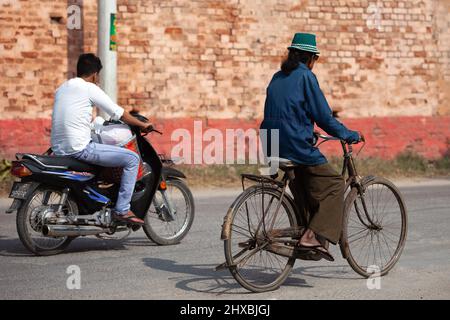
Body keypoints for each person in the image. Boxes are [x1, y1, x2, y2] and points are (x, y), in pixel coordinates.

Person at [260, 33, 363, 261]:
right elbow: (324, 117)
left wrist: (306, 129)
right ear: (310, 58)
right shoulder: (306, 77)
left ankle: (306, 232)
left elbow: (285, 111)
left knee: (306, 187)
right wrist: (349, 134)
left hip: (271, 142)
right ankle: (311, 238)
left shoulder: (277, 77)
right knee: (335, 184)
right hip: (295, 144)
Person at [51, 53, 152, 225]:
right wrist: (142, 125)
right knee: (132, 159)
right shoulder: (89, 88)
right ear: (95, 74)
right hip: (79, 149)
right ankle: (122, 210)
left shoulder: (62, 88)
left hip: (58, 148)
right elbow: (119, 113)